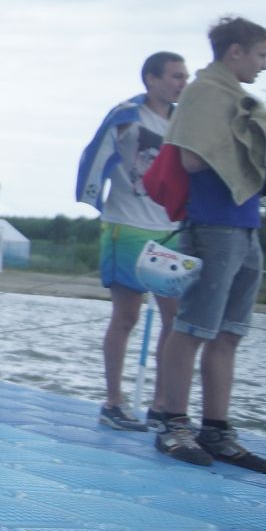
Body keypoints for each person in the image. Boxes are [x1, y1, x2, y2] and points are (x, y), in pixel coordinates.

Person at [145, 16, 266, 473]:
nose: (264, 65)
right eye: (260, 54)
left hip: (244, 225)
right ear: (235, 52)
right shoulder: (206, 93)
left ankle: (217, 429)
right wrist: (250, 147)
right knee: (192, 328)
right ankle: (173, 424)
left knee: (229, 333)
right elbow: (192, 159)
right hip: (212, 225)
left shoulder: (241, 98)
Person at [74, 52, 188, 430]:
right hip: (125, 223)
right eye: (174, 76)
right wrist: (93, 199)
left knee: (175, 319)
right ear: (151, 80)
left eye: (184, 76)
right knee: (127, 316)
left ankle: (161, 403)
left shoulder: (183, 121)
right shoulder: (126, 115)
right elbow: (93, 154)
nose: (181, 82)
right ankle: (113, 401)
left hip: (167, 229)